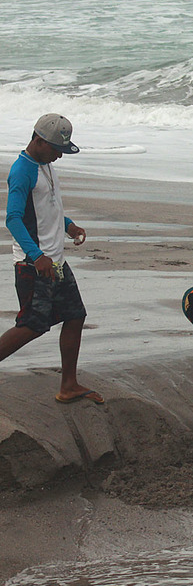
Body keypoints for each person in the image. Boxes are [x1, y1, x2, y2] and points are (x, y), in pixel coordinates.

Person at [1, 114, 97, 404]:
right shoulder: (22, 171)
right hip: (35, 264)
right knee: (32, 325)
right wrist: (36, 255)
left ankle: (69, 385)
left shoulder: (46, 165)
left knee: (75, 315)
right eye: (56, 149)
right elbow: (14, 219)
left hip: (55, 261)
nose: (59, 155)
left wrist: (68, 225)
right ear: (39, 141)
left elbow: (46, 208)